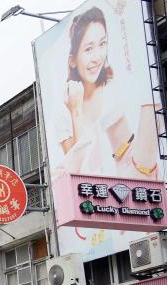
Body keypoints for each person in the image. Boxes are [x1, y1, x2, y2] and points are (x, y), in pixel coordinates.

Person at [54, 6, 159, 179]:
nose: (97, 57)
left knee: (152, 101)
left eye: (102, 44)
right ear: (72, 59)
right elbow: (76, 173)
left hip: (128, 184)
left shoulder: (110, 88)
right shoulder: (63, 111)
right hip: (87, 196)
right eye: (88, 49)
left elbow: (123, 151)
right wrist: (76, 110)